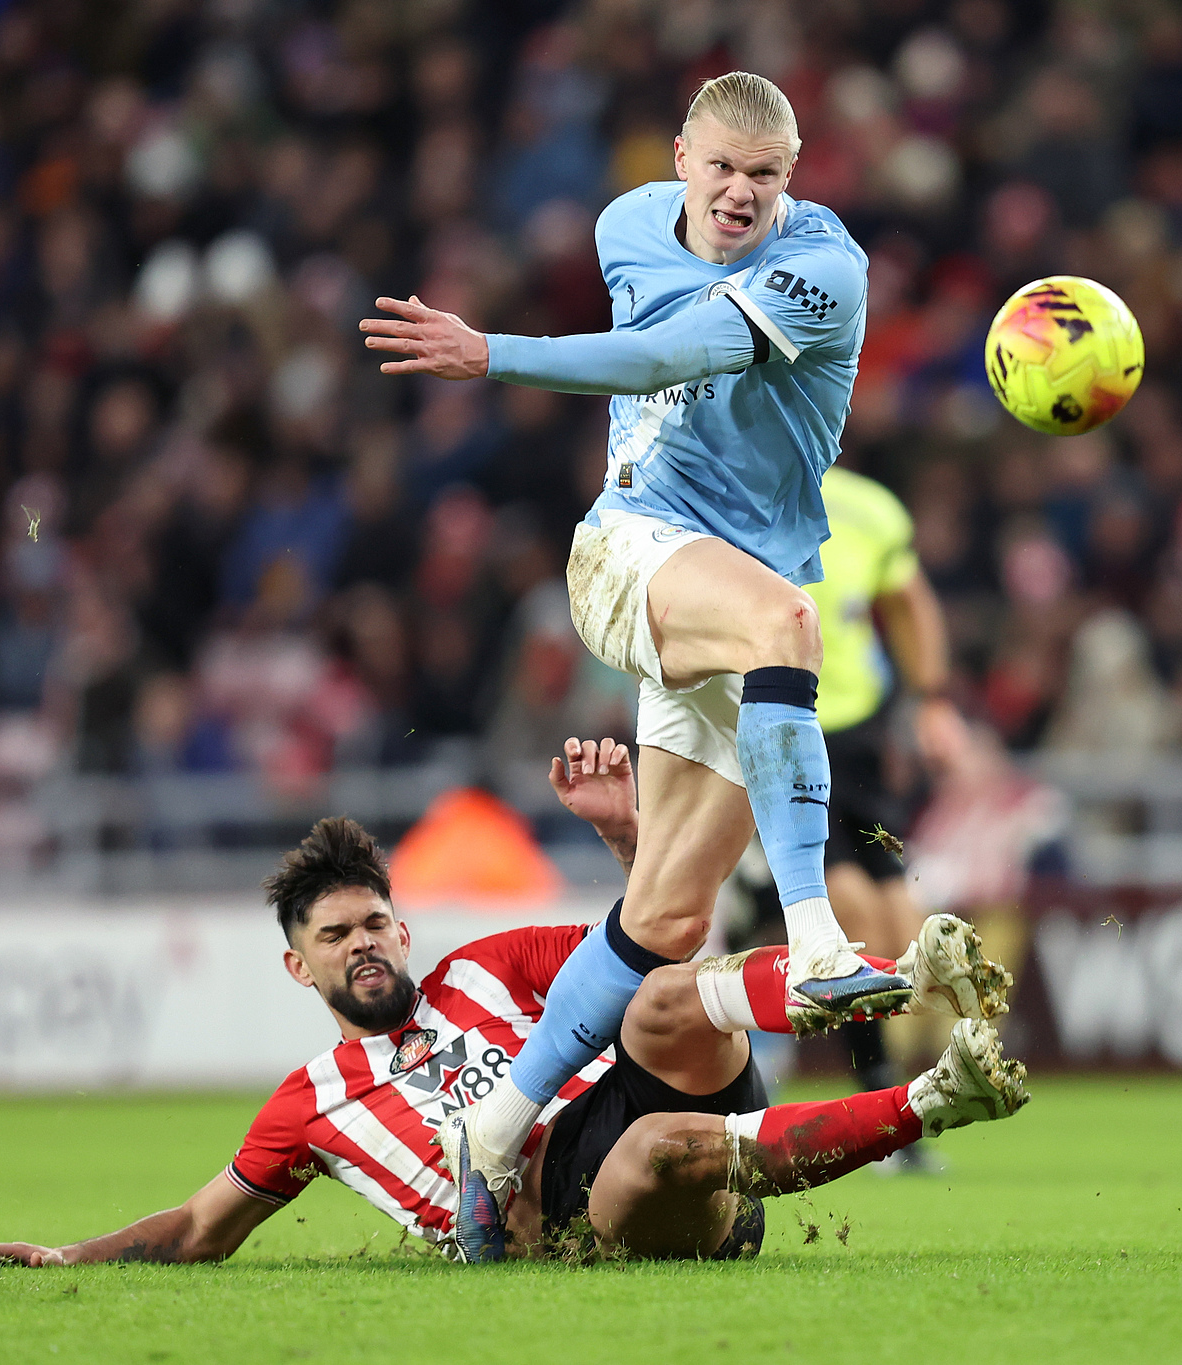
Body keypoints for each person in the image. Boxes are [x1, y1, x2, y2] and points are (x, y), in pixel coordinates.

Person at [359, 72, 894, 1257]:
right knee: (788, 632)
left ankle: (489, 1140)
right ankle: (814, 938)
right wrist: (486, 354)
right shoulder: (621, 226)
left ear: (790, 179)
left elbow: (668, 358)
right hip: (628, 551)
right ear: (681, 160)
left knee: (665, 913)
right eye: (720, 169)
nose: (740, 192)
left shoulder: (827, 274)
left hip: (722, 587)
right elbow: (650, 361)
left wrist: (484, 351)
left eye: (765, 174)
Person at [0, 775, 1024, 1268]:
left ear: (403, 934)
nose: (361, 944)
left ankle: (903, 977)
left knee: (648, 1000)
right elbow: (198, 1229)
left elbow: (663, 947)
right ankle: (932, 1099)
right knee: (648, 1147)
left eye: (374, 924)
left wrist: (621, 836)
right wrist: (65, 1258)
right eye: (333, 936)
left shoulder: (482, 970)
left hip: (622, 1110)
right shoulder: (310, 1109)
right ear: (295, 964)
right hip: (576, 1212)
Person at [801, 464, 964, 1116]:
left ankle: (909, 1089)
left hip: (862, 736)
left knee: (901, 929)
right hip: (782, 732)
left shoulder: (869, 509)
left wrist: (932, 701)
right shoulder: (741, 496)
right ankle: (878, 1094)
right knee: (854, 918)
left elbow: (909, 602)